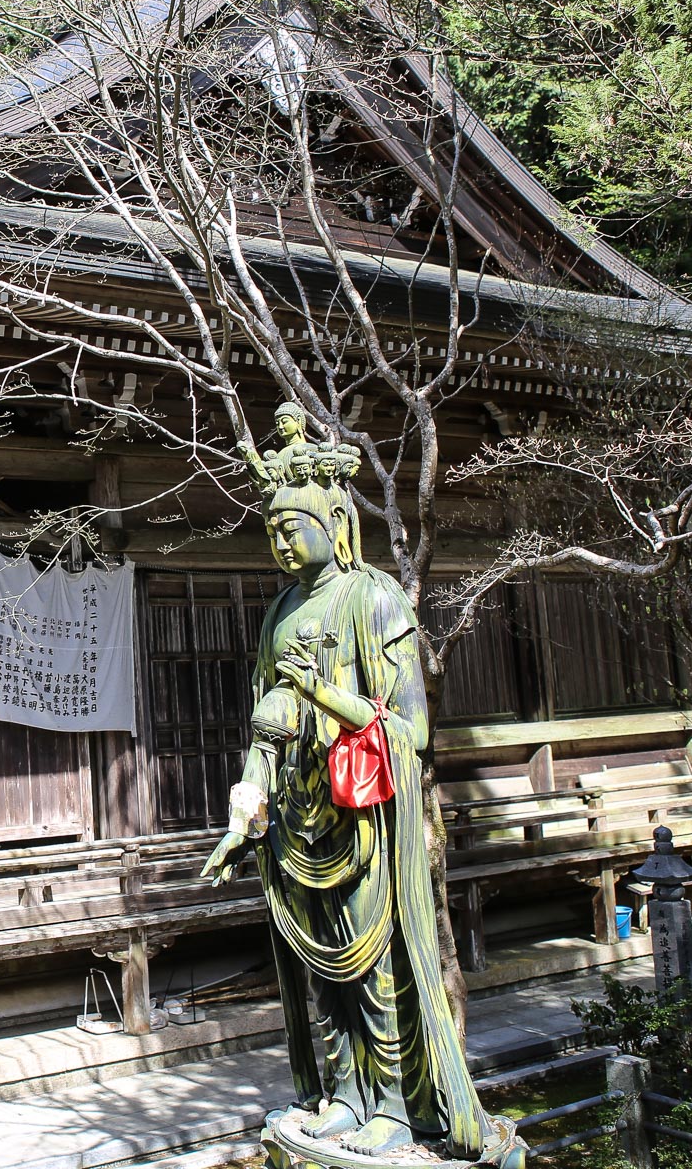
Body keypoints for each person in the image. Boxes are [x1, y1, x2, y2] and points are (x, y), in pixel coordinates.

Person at [202, 436, 491, 1160]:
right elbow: (266, 729)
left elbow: (412, 727)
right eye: (270, 531)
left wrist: (323, 692)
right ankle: (345, 1093)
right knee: (321, 970)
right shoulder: (279, 615)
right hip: (297, 819)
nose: (280, 543)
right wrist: (245, 812)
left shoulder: (375, 598)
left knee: (375, 965)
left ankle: (395, 1106)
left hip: (358, 815)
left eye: (291, 528)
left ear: (334, 524)